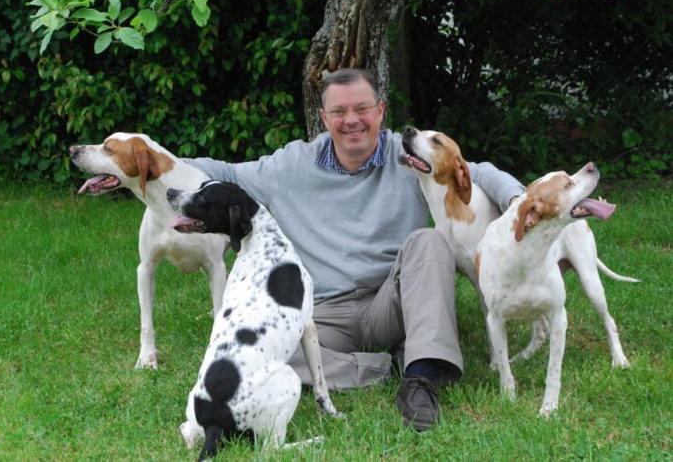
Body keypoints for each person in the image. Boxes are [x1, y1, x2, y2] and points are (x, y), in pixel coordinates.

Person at [185, 68, 524, 431]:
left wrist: (519, 201)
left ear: (380, 111)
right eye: (339, 112)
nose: (352, 121)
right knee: (273, 359)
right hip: (322, 314)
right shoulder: (289, 166)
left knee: (430, 241)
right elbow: (225, 173)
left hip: (390, 302)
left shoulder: (409, 156)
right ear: (323, 117)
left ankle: (422, 379)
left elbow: (474, 170)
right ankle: (386, 367)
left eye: (362, 109)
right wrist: (153, 163)